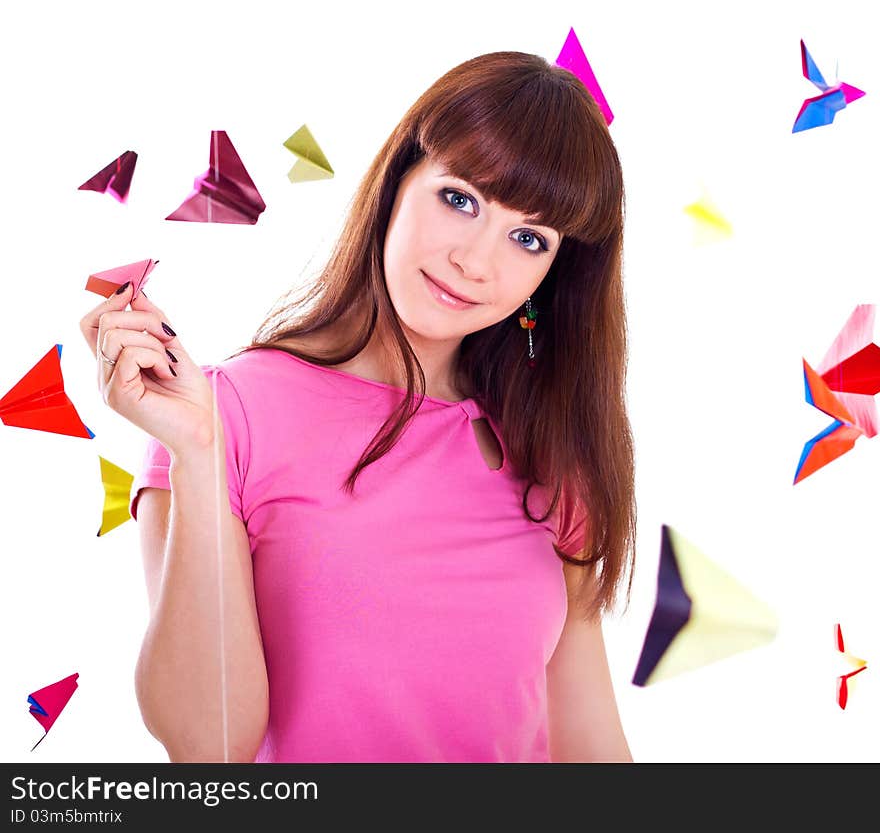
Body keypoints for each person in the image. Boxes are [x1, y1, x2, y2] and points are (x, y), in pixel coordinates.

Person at [78, 50, 636, 763]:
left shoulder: (551, 456)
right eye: (460, 199)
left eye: (528, 238)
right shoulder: (226, 416)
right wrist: (196, 454)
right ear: (398, 181)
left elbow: (592, 754)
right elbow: (207, 747)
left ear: (551, 275)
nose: (476, 261)